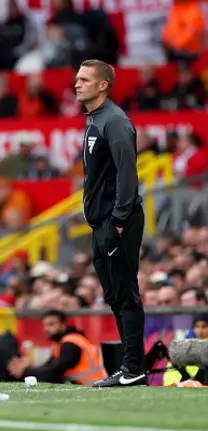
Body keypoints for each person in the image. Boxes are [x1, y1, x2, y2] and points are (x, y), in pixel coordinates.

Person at [75, 59, 146, 387]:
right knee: (115, 294)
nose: (77, 84)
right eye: (78, 78)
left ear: (103, 85)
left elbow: (128, 173)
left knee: (125, 292)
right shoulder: (95, 119)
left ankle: (133, 369)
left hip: (117, 221)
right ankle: (129, 368)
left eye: (85, 79)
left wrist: (118, 220)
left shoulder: (114, 121)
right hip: (101, 222)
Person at [7, 310, 107, 385]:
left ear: (63, 324)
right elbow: (48, 367)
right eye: (45, 325)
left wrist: (26, 371)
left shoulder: (71, 343)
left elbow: (53, 372)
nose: (46, 329)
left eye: (51, 324)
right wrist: (28, 368)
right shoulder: (61, 343)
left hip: (91, 385)